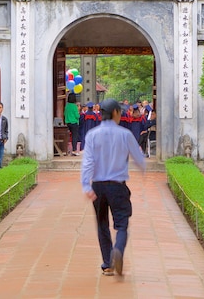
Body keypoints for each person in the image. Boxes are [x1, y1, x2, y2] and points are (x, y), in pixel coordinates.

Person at [81, 98, 147, 277]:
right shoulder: (125, 134)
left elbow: (87, 162)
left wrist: (86, 185)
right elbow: (139, 159)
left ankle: (108, 263)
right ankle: (118, 249)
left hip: (98, 187)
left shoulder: (92, 135)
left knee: (102, 223)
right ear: (116, 113)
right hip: (118, 186)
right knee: (122, 224)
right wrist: (143, 170)